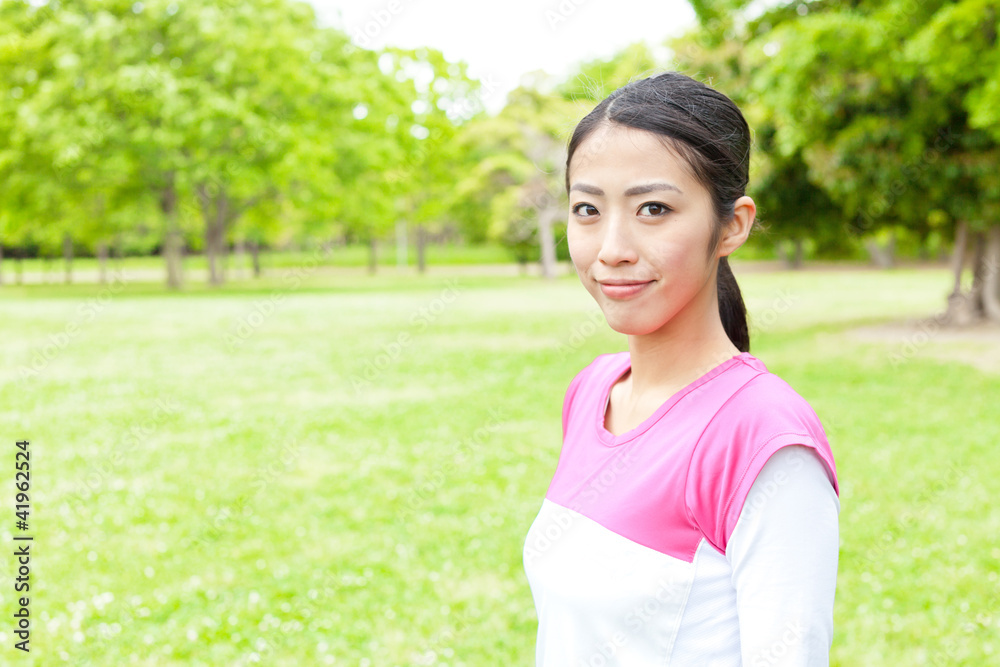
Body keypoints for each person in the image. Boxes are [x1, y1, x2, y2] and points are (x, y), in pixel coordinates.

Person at [522, 71, 841, 666]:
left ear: (733, 224)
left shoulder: (763, 437)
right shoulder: (593, 390)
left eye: (653, 208)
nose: (611, 247)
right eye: (587, 209)